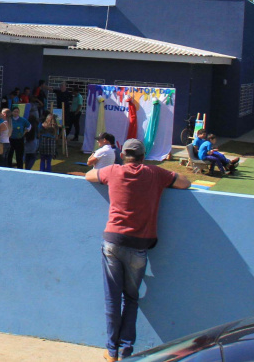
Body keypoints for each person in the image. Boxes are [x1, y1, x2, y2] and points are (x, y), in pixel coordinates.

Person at [85, 139, 191, 361]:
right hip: (139, 245)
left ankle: (112, 351)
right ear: (144, 157)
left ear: (123, 156)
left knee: (112, 299)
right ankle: (125, 351)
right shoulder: (155, 174)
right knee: (131, 299)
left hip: (113, 241)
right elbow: (185, 183)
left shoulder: (113, 171)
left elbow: (89, 176)